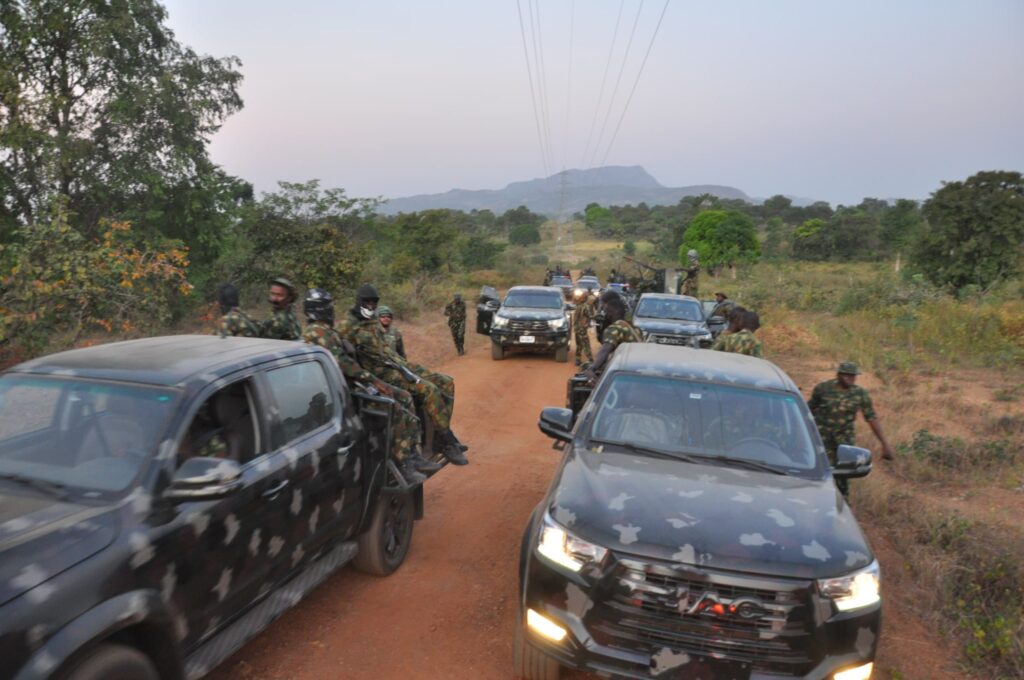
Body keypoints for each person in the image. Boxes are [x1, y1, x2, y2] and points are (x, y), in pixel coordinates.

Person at [300, 288, 438, 484]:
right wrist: (375, 381)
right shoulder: (318, 332)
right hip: (340, 390)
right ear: (322, 309)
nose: (331, 310)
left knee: (405, 397)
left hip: (343, 385)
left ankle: (412, 455)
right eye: (328, 306)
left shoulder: (325, 331)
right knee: (394, 407)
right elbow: (344, 363)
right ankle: (403, 461)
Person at [338, 284, 468, 465]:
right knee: (429, 389)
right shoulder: (347, 326)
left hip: (397, 364)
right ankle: (446, 441)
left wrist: (404, 365)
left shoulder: (372, 322)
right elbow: (342, 357)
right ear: (359, 301)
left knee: (446, 382)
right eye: (367, 302)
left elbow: (386, 349)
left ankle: (441, 434)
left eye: (374, 303)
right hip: (381, 372)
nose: (370, 306)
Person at [808, 361, 895, 496]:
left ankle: (842, 507)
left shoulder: (859, 394)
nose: (850, 378)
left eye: (853, 376)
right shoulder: (823, 389)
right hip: (821, 440)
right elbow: (808, 411)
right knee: (819, 475)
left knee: (843, 478)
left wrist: (885, 444)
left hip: (844, 443)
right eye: (846, 375)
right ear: (839, 375)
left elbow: (871, 418)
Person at [583, 291, 642, 383]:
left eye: (603, 305)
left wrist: (591, 369)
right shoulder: (634, 328)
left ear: (611, 307)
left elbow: (605, 350)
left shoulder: (615, 328)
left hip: (626, 374)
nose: (602, 309)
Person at [571, 289, 595, 366]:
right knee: (586, 343)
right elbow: (590, 316)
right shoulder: (585, 306)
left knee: (579, 344)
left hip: (576, 328)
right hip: (582, 328)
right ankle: (590, 359)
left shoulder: (578, 306)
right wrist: (595, 317)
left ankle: (577, 360)